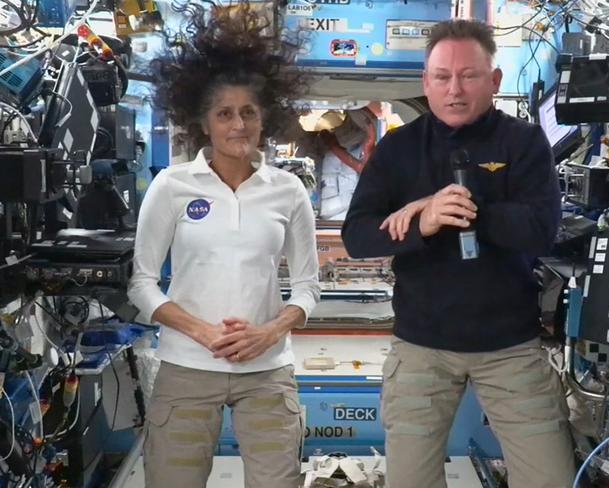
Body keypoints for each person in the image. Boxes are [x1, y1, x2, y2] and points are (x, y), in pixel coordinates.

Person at [342, 19, 575, 488]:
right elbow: (358, 237)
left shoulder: (524, 142)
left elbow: (542, 230)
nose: (455, 89)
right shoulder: (397, 149)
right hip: (422, 348)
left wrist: (471, 211)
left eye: (469, 75)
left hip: (511, 347)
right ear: (426, 83)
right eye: (442, 77)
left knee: (550, 478)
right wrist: (423, 224)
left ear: (494, 81)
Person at [127, 3, 319, 487]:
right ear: (204, 122)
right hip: (187, 367)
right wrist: (203, 332)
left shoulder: (287, 190)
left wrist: (269, 332)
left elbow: (307, 289)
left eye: (249, 112)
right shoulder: (172, 186)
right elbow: (142, 285)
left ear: (264, 118)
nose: (239, 125)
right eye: (225, 113)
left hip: (268, 370)